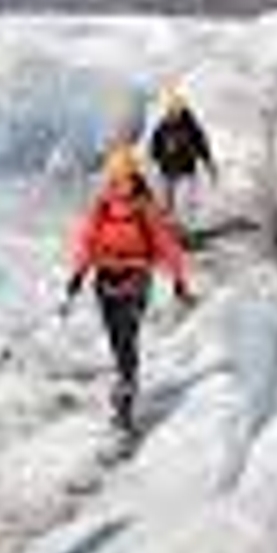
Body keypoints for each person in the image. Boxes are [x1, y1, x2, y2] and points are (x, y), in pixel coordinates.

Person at [63, 145, 194, 456]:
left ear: (132, 175)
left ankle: (125, 392)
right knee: (116, 336)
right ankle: (125, 379)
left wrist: (179, 279)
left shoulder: (144, 207)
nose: (118, 182)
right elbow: (88, 240)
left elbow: (165, 243)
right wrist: (78, 274)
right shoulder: (103, 205)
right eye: (114, 176)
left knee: (126, 336)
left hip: (136, 278)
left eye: (123, 176)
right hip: (105, 278)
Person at [147, 85, 216, 219]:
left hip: (186, 171)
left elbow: (201, 144)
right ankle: (166, 228)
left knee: (183, 202)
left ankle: (184, 226)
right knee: (164, 202)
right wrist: (154, 159)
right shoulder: (163, 127)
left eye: (175, 110)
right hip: (166, 170)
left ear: (182, 110)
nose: (173, 113)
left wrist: (208, 162)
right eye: (170, 110)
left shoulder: (191, 127)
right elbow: (155, 145)